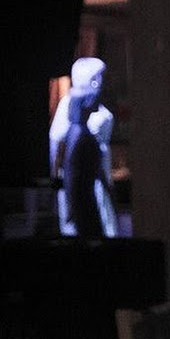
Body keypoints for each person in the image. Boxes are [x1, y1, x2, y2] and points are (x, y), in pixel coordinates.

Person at [49, 57, 117, 237]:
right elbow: (58, 147)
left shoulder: (96, 110)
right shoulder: (72, 109)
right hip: (82, 183)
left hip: (94, 177)